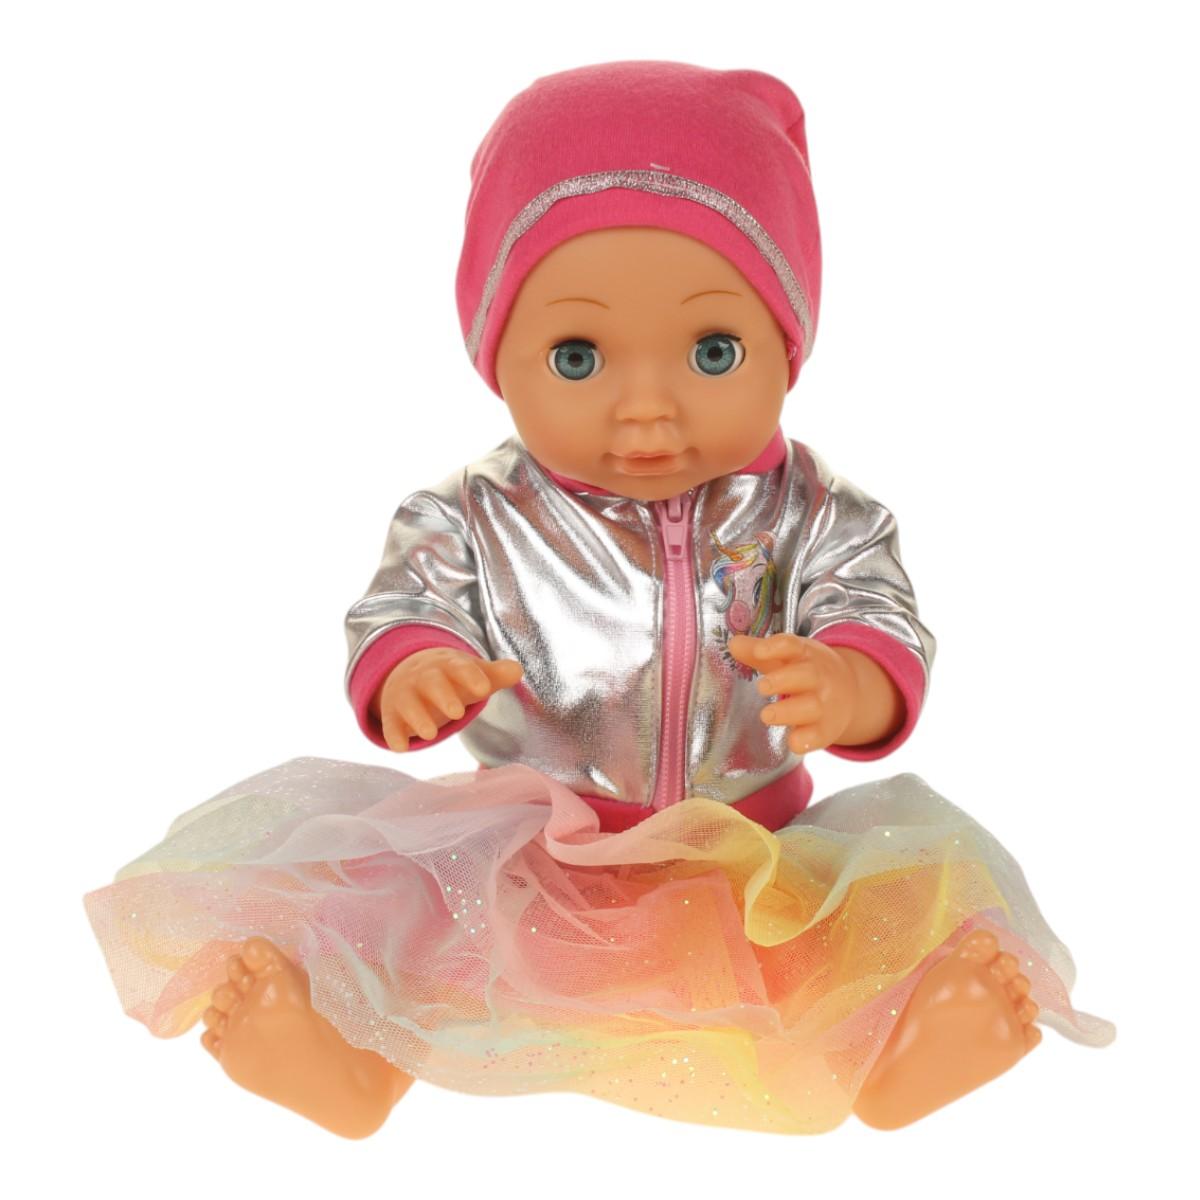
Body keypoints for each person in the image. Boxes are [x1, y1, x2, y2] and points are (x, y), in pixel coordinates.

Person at [83, 60, 1113, 1141]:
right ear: (497, 357)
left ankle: (899, 1056)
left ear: (787, 343)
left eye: (713, 351)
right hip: (529, 850)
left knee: (865, 928)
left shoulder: (812, 509)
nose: (647, 408)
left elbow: (877, 608)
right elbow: (402, 609)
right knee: (418, 932)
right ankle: (349, 1061)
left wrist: (852, 682)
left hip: (756, 849)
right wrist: (414, 670)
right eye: (578, 357)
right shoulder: (476, 513)